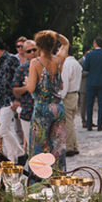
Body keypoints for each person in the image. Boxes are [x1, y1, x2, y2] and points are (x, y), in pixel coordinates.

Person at [25, 30, 69, 172]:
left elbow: (31, 88)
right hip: (58, 108)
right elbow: (66, 43)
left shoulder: (35, 63)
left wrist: (26, 82)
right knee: (58, 146)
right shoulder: (58, 60)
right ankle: (59, 178)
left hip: (42, 109)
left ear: (38, 46)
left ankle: (38, 182)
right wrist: (55, 34)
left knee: (39, 146)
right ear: (52, 45)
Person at [0, 35, 23, 163]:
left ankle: (20, 153)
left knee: (3, 131)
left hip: (10, 100)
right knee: (8, 130)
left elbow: (19, 79)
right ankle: (13, 160)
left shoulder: (11, 59)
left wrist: (17, 100)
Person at [82, 38, 102, 131]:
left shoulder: (89, 55)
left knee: (89, 104)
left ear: (95, 44)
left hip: (91, 81)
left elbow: (85, 68)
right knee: (101, 104)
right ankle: (100, 125)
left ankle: (89, 125)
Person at [12, 39, 37, 149]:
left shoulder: (46, 66)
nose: (32, 53)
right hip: (27, 111)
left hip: (44, 113)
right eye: (29, 51)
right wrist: (27, 88)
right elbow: (15, 90)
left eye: (34, 50)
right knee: (31, 146)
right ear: (24, 53)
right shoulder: (21, 69)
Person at [60, 46, 83, 157]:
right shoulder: (76, 64)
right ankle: (75, 145)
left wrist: (60, 97)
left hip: (68, 95)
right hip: (75, 94)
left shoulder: (66, 64)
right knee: (71, 122)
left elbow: (65, 83)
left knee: (68, 122)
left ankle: (69, 147)